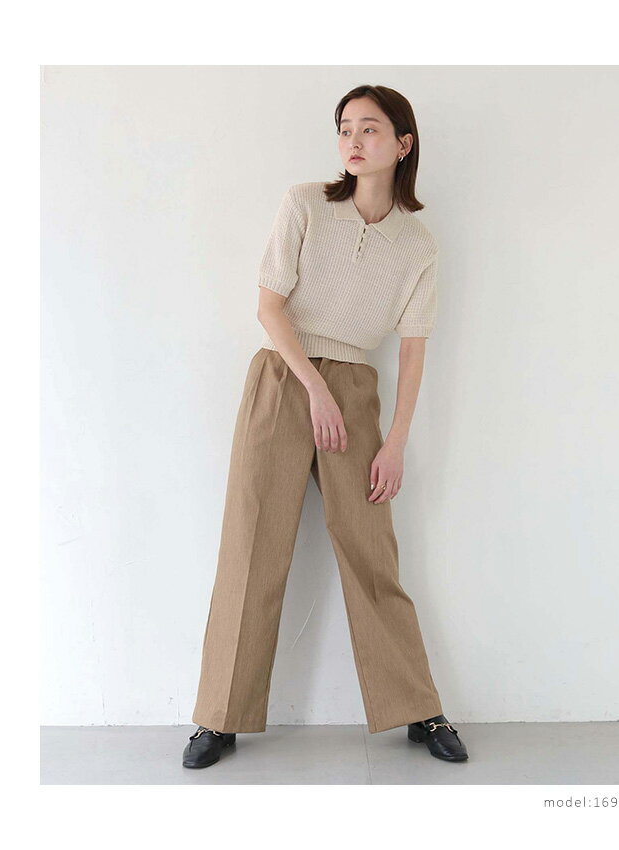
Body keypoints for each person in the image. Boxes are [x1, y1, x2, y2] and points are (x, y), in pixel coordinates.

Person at [183, 84, 468, 769]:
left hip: (357, 389)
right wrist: (314, 389)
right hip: (284, 380)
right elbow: (269, 307)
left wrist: (395, 442)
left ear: (403, 143)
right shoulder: (306, 203)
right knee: (251, 546)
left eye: (370, 128)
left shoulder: (419, 246)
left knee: (372, 553)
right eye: (345, 128)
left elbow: (412, 350)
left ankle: (417, 707)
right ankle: (218, 717)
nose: (353, 140)